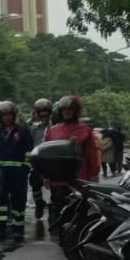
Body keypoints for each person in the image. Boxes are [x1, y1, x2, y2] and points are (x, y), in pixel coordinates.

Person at [44, 95, 102, 234]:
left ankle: (77, 235)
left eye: (70, 109)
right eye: (64, 110)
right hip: (57, 178)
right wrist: (45, 174)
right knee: (58, 207)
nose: (67, 112)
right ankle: (61, 236)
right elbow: (47, 155)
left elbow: (91, 154)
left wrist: (94, 174)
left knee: (80, 209)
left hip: (79, 178)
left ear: (76, 111)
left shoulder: (85, 130)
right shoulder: (53, 130)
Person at [0, 101, 33, 242]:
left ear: (14, 116)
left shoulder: (23, 131)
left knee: (18, 202)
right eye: (4, 115)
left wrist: (25, 167)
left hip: (18, 173)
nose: (7, 117)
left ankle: (18, 230)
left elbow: (30, 151)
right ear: (0, 117)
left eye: (9, 114)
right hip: (0, 174)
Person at [28, 98, 54, 224]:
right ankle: (39, 204)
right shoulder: (34, 127)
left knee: (55, 186)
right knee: (35, 183)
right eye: (41, 115)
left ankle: (54, 209)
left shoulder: (55, 127)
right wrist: (31, 118)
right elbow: (23, 130)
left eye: (46, 115)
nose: (44, 118)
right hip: (38, 160)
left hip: (52, 160)